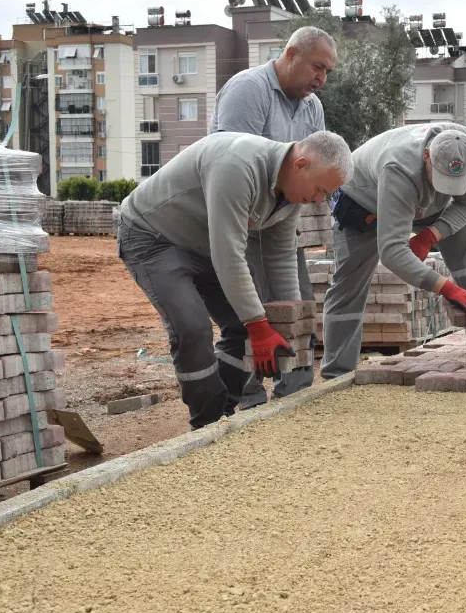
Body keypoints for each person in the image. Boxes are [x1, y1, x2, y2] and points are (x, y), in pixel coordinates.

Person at [118, 131, 353, 430]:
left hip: (201, 244)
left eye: (326, 195)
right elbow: (228, 255)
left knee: (243, 327)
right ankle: (206, 423)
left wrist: (288, 322)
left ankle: (222, 412)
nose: (319, 200)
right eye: (319, 190)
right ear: (301, 165)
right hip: (152, 236)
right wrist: (259, 326)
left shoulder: (291, 196)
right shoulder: (237, 165)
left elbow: (280, 256)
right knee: (192, 327)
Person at [209, 26, 337, 410]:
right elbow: (232, 161)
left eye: (328, 71)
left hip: (280, 221)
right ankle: (247, 400)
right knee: (249, 309)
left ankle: (292, 396)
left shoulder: (312, 108)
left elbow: (314, 166)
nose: (322, 78)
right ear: (291, 54)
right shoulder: (249, 90)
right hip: (242, 220)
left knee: (295, 305)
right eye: (317, 67)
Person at [320, 124, 466, 379]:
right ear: (426, 156)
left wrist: (430, 235)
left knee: (465, 232)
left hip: (424, 202)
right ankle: (336, 373)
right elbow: (392, 252)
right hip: (363, 206)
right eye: (442, 178)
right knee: (349, 285)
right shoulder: (399, 167)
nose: (447, 188)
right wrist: (448, 289)